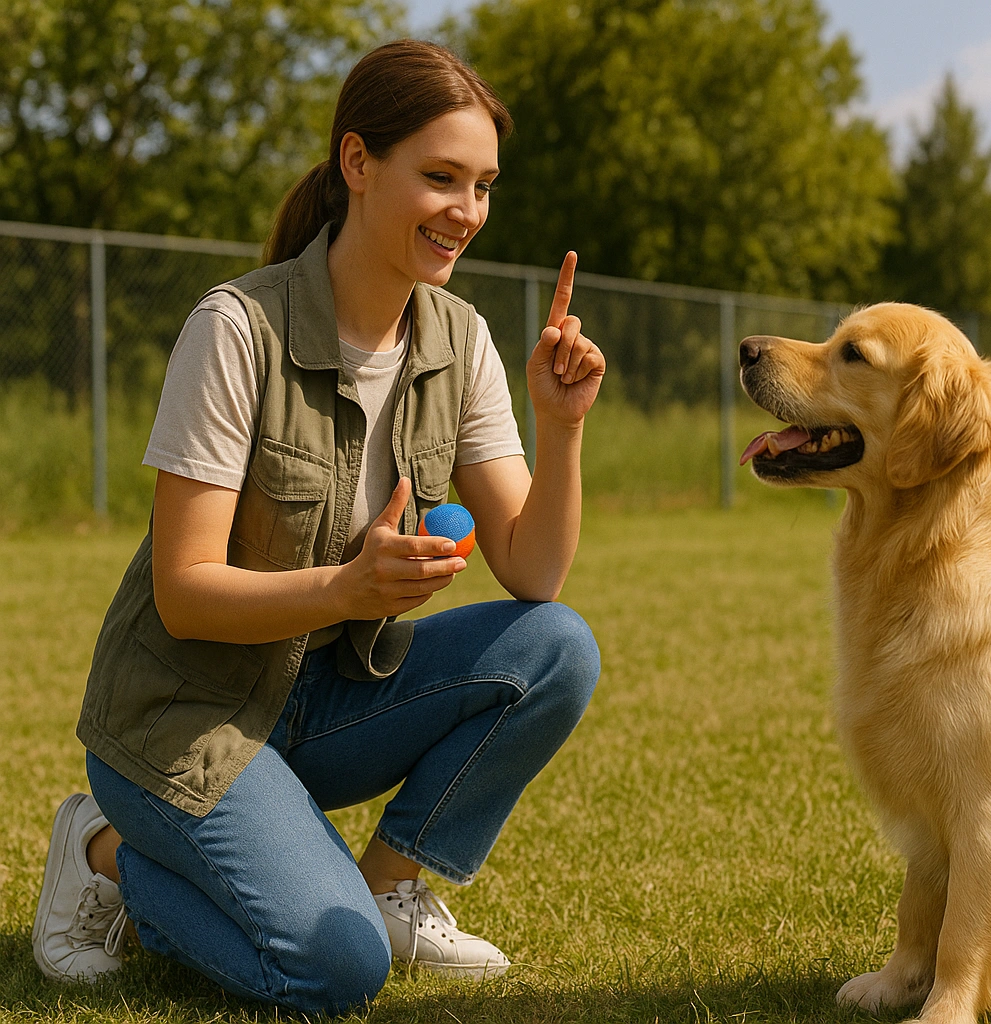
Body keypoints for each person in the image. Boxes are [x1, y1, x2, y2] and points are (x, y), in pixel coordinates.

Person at [31, 40, 604, 1014]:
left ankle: (384, 891)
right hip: (182, 719)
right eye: (441, 177)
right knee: (338, 974)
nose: (467, 210)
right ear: (357, 164)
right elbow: (184, 586)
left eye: (483, 185)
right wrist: (348, 588)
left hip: (324, 700)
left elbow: (534, 571)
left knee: (557, 645)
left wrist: (562, 425)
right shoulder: (236, 329)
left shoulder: (458, 340)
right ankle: (107, 855)